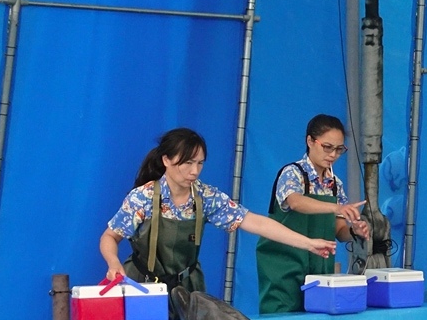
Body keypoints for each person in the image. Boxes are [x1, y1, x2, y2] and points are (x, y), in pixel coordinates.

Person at [100, 128, 336, 298]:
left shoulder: (206, 197)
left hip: (188, 289)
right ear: (166, 160)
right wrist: (113, 262)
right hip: (144, 288)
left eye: (200, 163)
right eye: (188, 163)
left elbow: (255, 222)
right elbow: (110, 236)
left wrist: (307, 243)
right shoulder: (142, 197)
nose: (194, 171)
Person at [256, 114, 371, 314]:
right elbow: (296, 202)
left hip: (319, 270)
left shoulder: (336, 185)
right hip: (284, 268)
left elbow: (339, 229)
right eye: (327, 147)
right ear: (310, 141)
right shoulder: (292, 173)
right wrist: (336, 208)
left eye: (339, 150)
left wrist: (354, 231)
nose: (333, 155)